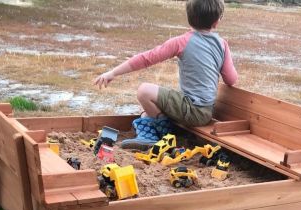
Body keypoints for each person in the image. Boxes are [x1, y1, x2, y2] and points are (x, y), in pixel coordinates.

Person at [94, 0, 237, 150]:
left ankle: (165, 133)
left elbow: (147, 58)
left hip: (192, 110)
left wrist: (113, 73)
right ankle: (150, 134)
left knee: (144, 91)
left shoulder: (182, 42)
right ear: (216, 22)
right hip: (206, 112)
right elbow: (231, 79)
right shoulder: (222, 44)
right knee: (145, 111)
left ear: (189, 17)